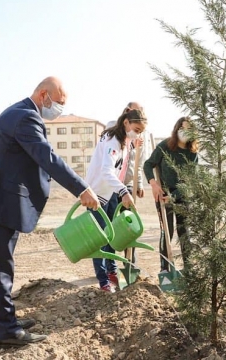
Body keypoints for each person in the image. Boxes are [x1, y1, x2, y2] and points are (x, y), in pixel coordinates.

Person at [0, 77, 101, 349]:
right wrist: (82, 189)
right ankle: (8, 332)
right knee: (0, 265)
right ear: (43, 95)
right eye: (58, 103)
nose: (59, 108)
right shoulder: (26, 117)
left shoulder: (19, 112)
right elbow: (47, 157)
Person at [85, 108, 147, 292]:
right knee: (100, 238)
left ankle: (112, 271)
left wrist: (135, 145)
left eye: (141, 131)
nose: (137, 133)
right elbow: (106, 170)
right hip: (97, 193)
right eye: (136, 129)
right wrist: (123, 192)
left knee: (111, 235)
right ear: (126, 122)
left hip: (110, 191)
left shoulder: (125, 141)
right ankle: (103, 280)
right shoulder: (113, 141)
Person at [144, 117, 198, 271]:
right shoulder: (165, 146)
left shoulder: (192, 153)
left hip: (182, 195)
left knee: (184, 231)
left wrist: (174, 196)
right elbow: (148, 165)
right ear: (176, 129)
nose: (185, 132)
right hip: (162, 194)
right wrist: (153, 184)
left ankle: (189, 268)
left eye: (189, 129)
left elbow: (190, 181)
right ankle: (165, 268)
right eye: (183, 128)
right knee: (166, 231)